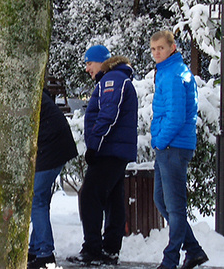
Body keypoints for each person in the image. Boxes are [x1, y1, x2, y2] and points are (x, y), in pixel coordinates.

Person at [67, 45, 138, 266]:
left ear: (101, 62)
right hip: (115, 150)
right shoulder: (117, 78)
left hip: (109, 150)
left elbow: (109, 115)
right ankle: (110, 250)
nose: (87, 68)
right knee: (113, 200)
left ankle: (93, 250)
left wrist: (94, 146)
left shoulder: (112, 80)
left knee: (89, 196)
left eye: (89, 63)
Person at [150, 30, 208, 269]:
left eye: (161, 48)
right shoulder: (168, 71)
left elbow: (175, 117)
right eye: (153, 49)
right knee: (161, 200)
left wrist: (161, 141)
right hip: (169, 146)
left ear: (172, 47)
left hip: (173, 146)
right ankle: (193, 250)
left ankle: (170, 258)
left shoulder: (174, 75)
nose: (156, 53)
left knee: (174, 206)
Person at [27, 89, 78, 269]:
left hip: (50, 149)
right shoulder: (33, 92)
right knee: (39, 200)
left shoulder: (21, 94)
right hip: (55, 147)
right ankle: (35, 248)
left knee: (36, 199)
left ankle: (45, 253)